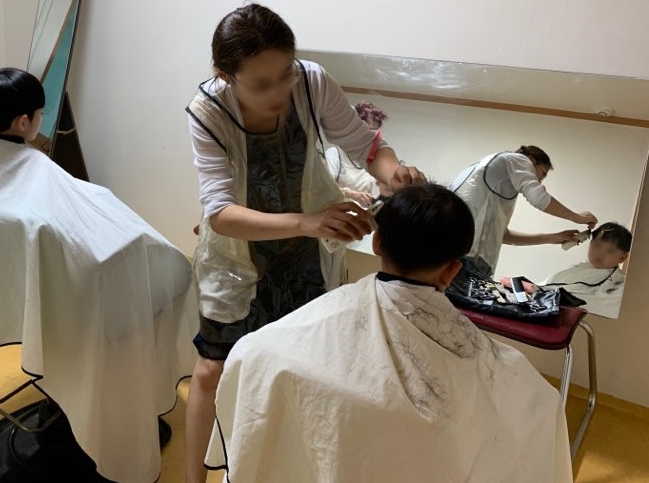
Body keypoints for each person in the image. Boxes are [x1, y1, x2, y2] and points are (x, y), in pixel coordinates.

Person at [184, 2, 425, 483]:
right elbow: (221, 214)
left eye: (285, 75)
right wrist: (308, 221)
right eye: (261, 84)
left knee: (301, 365)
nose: (279, 91)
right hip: (238, 257)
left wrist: (392, 171)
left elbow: (365, 145)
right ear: (225, 75)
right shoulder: (208, 111)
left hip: (307, 253)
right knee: (212, 371)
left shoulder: (311, 81)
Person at [0, 69, 197, 483]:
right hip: (80, 296)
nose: (41, 120)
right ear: (24, 122)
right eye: (39, 114)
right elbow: (94, 243)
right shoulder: (35, 188)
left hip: (18, 293)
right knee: (171, 268)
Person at [207, 184, 573, 482]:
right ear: (452, 271)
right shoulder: (506, 368)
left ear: (377, 243)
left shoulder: (270, 342)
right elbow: (538, 409)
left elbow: (250, 354)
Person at [450, 145, 597, 274]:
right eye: (542, 174)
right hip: (464, 255)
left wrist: (553, 237)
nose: (538, 181)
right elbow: (539, 198)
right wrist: (578, 217)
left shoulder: (494, 182)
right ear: (532, 159)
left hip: (459, 250)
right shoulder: (518, 159)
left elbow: (503, 236)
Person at [505, 223, 631, 318]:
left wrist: (534, 289)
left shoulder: (616, 282)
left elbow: (591, 303)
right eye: (597, 246)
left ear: (622, 257)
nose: (600, 253)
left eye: (610, 251)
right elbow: (552, 284)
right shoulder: (582, 268)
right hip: (540, 302)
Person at [326, 100, 389, 206]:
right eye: (368, 131)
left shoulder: (373, 157)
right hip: (338, 212)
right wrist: (352, 194)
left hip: (362, 213)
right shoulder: (334, 154)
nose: (371, 137)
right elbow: (325, 189)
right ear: (354, 128)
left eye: (374, 132)